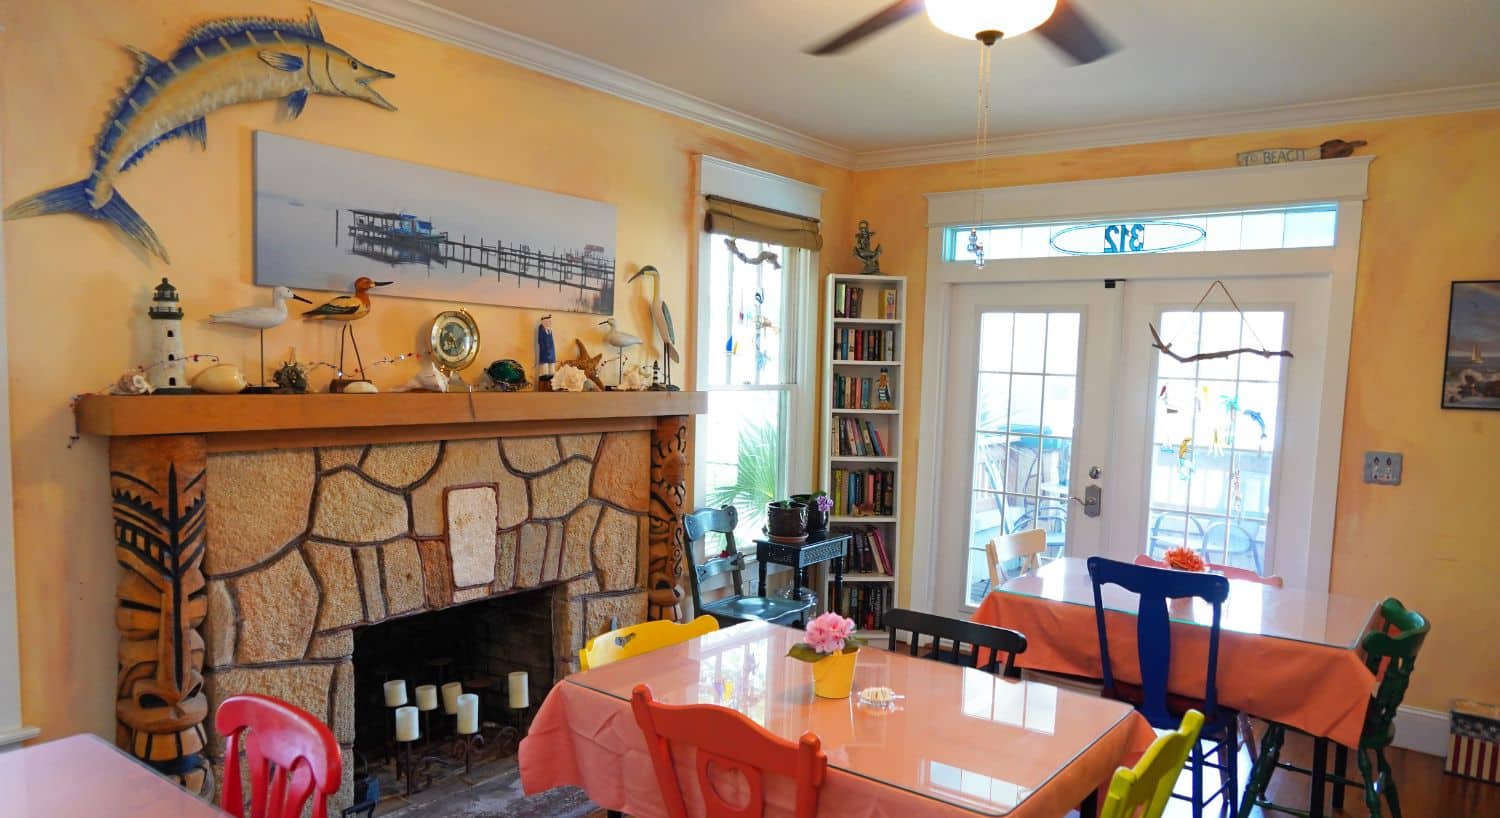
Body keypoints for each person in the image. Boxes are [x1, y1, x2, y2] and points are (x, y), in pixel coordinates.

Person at [536, 315, 556, 385]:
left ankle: (551, 374)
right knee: (544, 362)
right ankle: (544, 374)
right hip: (544, 349)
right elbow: (540, 339)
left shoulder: (550, 329)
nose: (549, 322)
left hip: (551, 348)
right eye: (548, 321)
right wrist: (544, 345)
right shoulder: (541, 327)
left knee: (552, 362)